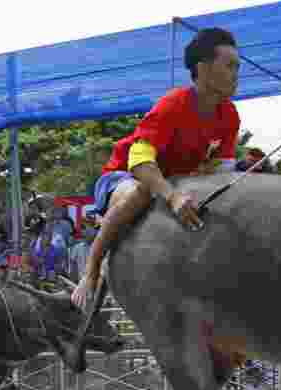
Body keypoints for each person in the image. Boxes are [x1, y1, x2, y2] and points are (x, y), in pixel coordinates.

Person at [72, 27, 242, 309]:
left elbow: (223, 169)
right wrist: (173, 196)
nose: (236, 73)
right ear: (203, 69)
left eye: (238, 66)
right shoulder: (173, 104)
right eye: (229, 66)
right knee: (142, 193)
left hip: (176, 180)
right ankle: (90, 270)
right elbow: (138, 161)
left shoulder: (230, 115)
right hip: (123, 176)